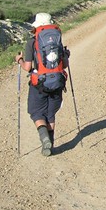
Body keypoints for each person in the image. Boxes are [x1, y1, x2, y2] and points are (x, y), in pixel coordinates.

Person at [15, 12, 70, 156]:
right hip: (57, 81)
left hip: (39, 83)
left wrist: (19, 60)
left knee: (36, 112)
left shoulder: (31, 42)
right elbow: (64, 64)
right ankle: (50, 144)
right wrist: (66, 55)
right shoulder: (57, 40)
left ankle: (44, 138)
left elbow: (27, 67)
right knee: (50, 113)